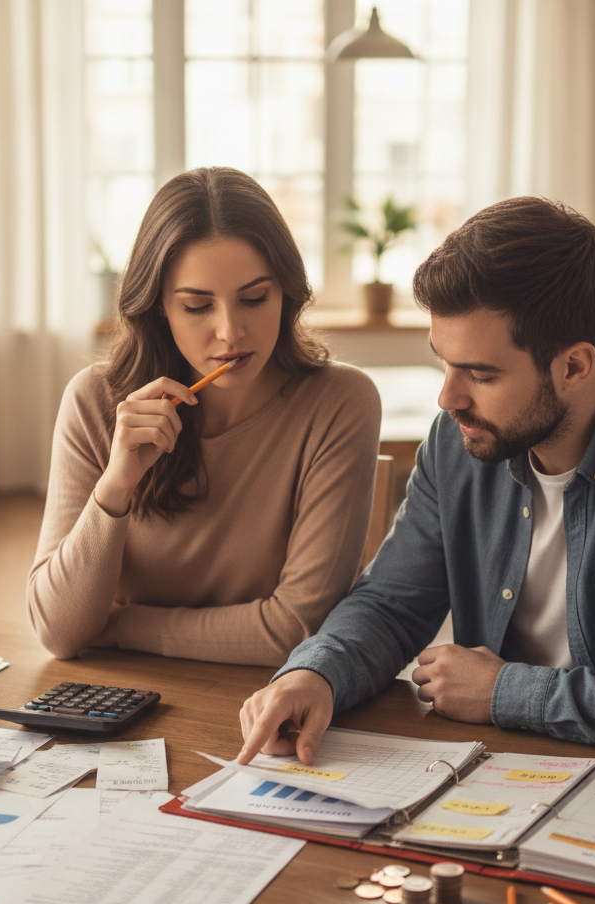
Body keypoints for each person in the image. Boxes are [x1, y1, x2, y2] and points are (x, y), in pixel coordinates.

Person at [238, 195, 595, 762]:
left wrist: (506, 693)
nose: (448, 398)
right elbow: (392, 604)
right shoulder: (457, 441)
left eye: (480, 373)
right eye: (443, 362)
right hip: (493, 776)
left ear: (574, 366)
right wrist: (314, 675)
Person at [28, 167, 381, 666]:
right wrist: (115, 485)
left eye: (255, 299)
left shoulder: (340, 402)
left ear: (287, 293)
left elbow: (298, 629)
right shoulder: (95, 403)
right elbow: (60, 633)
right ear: (159, 309)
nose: (230, 332)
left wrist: (125, 624)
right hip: (120, 704)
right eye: (197, 306)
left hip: (267, 705)